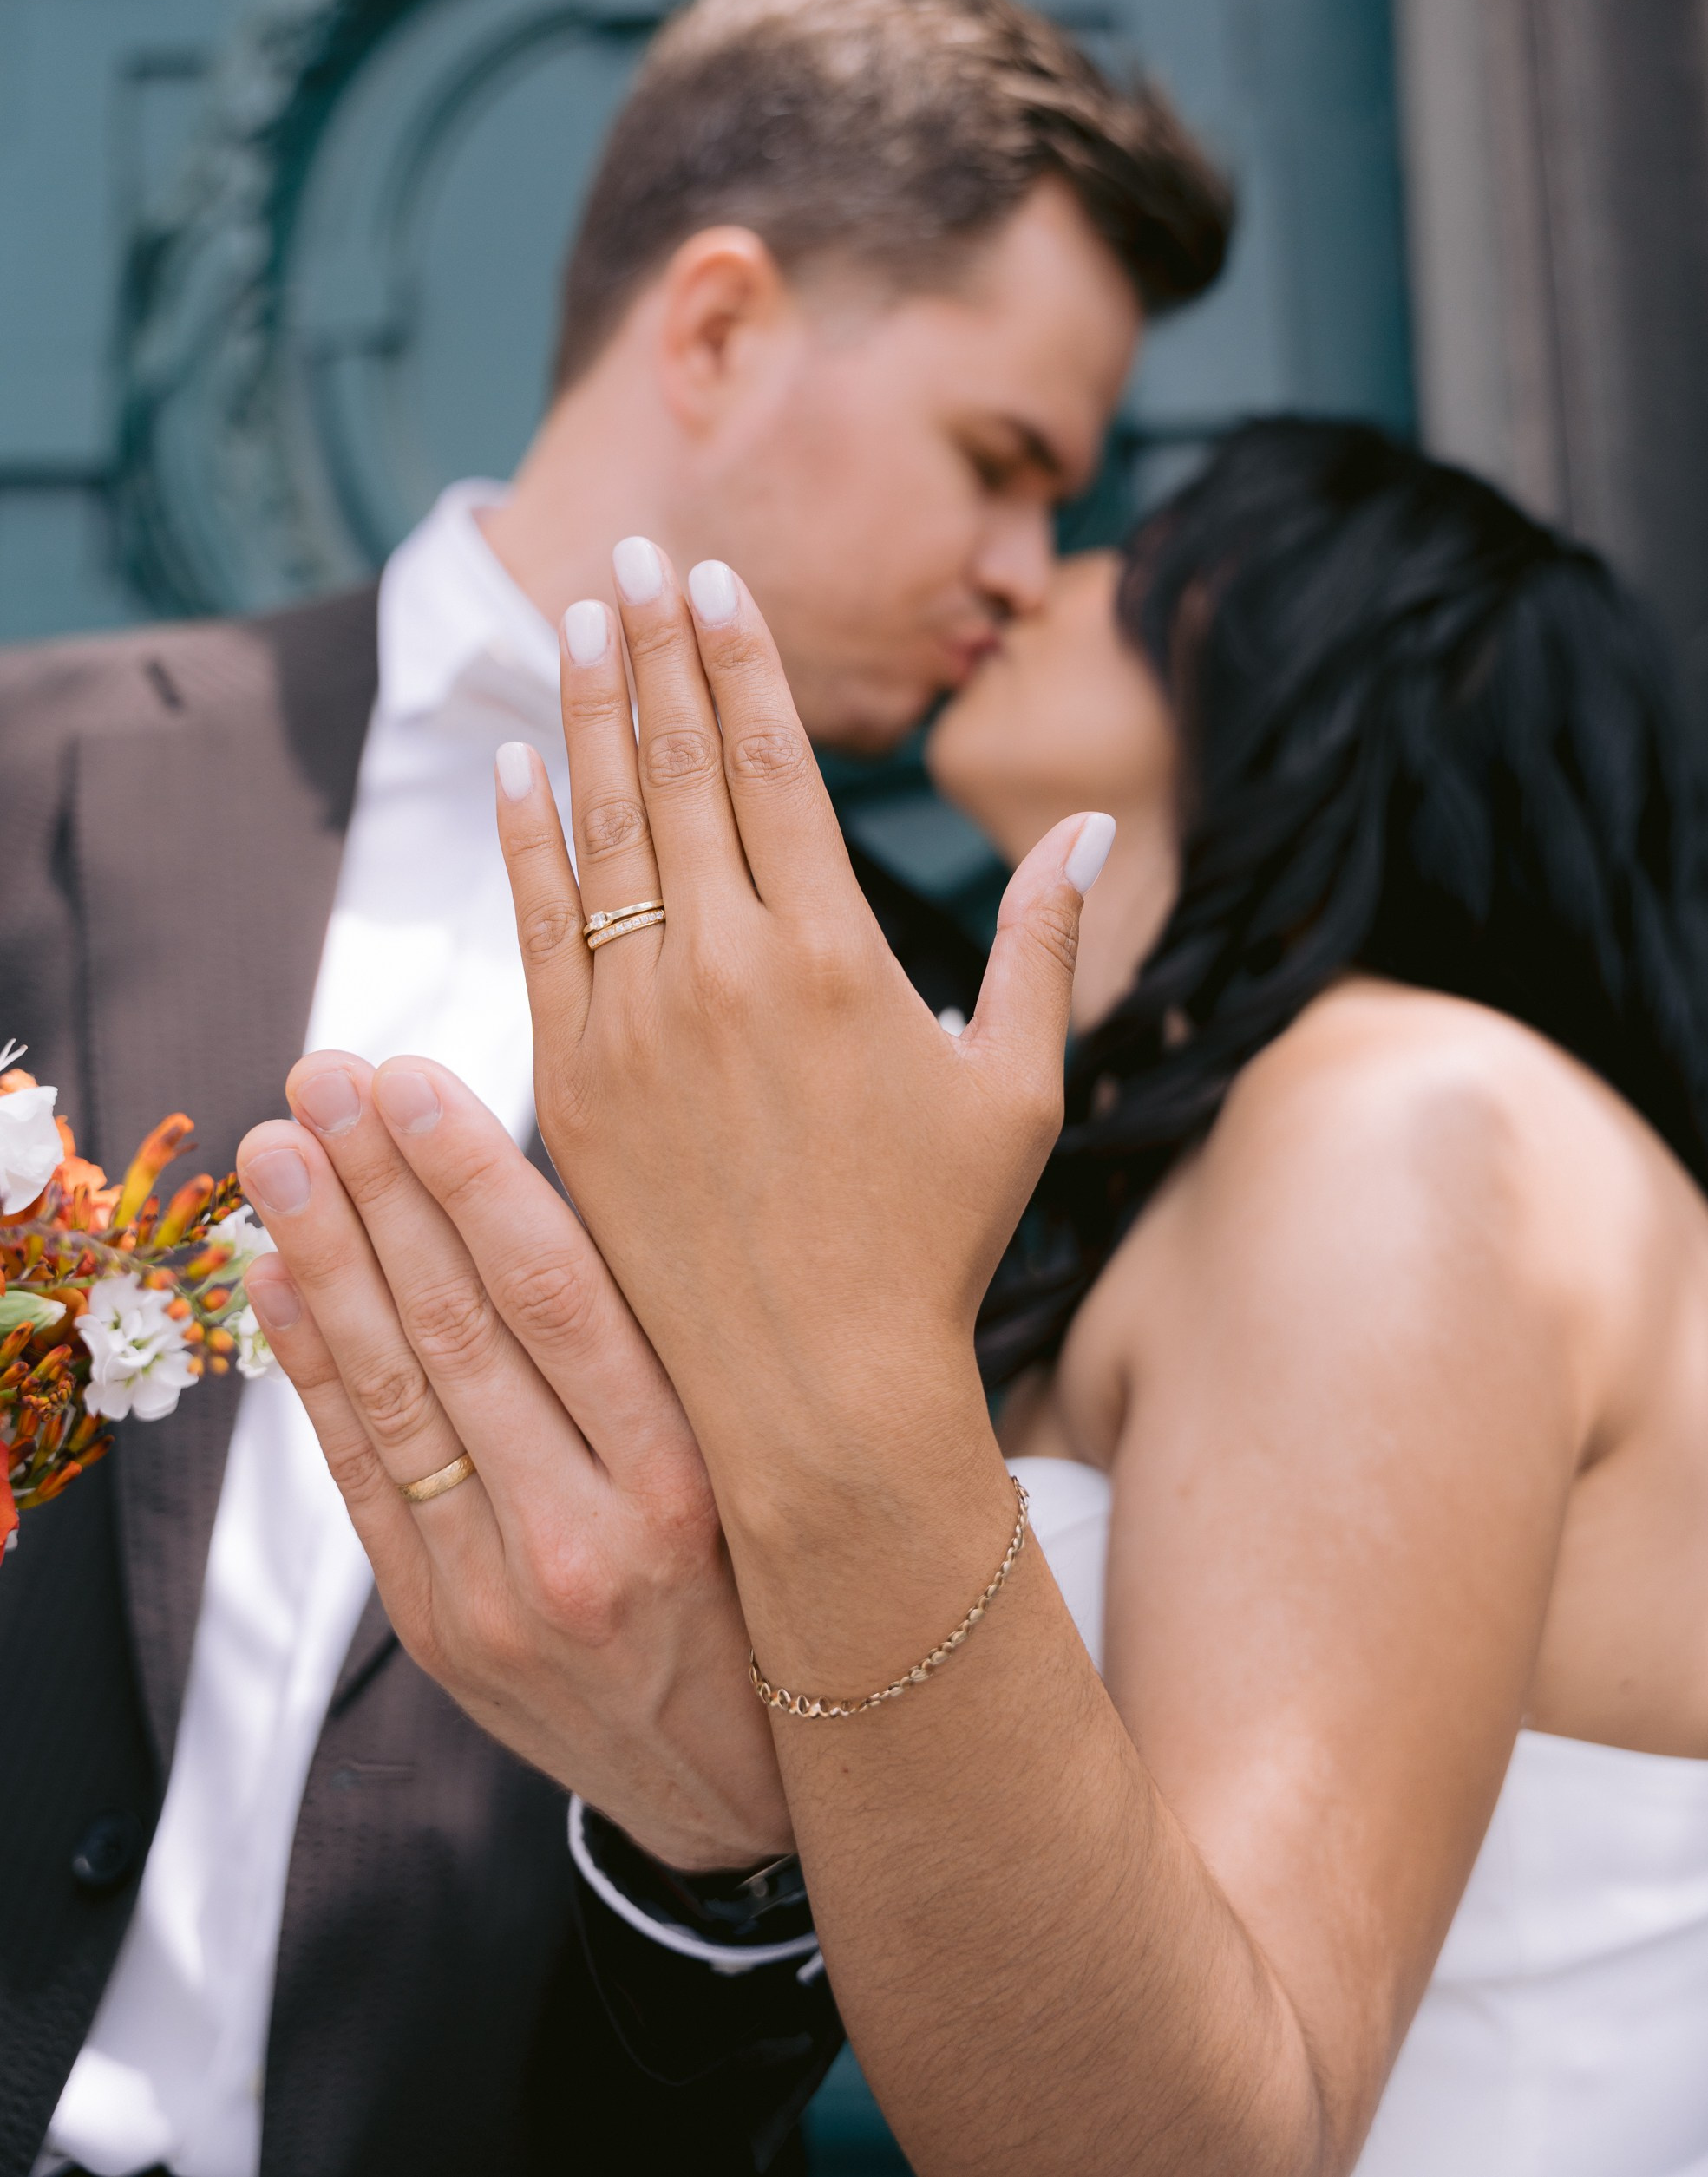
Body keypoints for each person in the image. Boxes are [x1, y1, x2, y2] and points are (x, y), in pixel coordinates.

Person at [0, 0, 1231, 2177]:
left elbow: (802, 1913)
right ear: (721, 325)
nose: (1021, 574)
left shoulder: (956, 1080)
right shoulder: (35, 767)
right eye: (999, 461)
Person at [245, 416, 1708, 2177]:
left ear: (1282, 624)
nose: (1030, 574)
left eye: (1113, 533)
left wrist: (827, 1362)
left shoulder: (1402, 1126)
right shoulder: (1200, 1173)